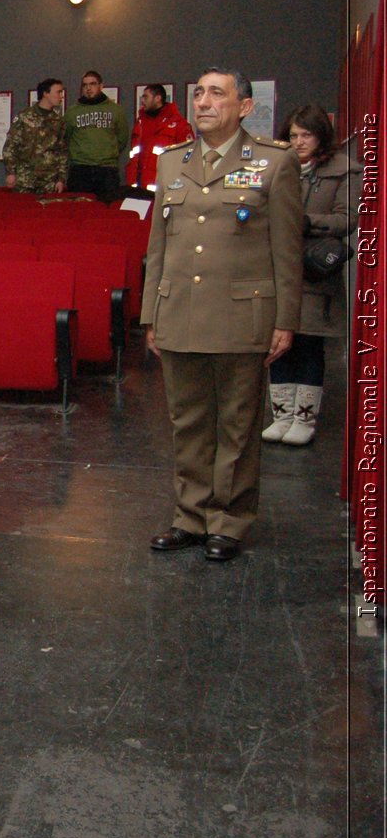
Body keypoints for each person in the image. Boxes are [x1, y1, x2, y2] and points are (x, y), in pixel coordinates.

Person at [144, 68, 302, 562]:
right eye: (198, 94)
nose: (204, 102)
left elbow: (288, 250)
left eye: (217, 93)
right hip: (180, 314)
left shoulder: (273, 163)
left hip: (242, 316)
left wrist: (286, 319)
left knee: (236, 423)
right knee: (187, 421)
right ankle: (189, 515)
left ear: (244, 106)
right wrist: (151, 313)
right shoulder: (172, 163)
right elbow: (159, 246)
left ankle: (228, 519)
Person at [262, 103, 358, 445]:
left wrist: (308, 223)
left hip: (315, 268)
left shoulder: (343, 170)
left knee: (308, 343)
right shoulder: (278, 166)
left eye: (306, 135)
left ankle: (304, 418)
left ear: (321, 136)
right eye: (293, 136)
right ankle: (281, 414)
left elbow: (348, 218)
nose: (299, 142)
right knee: (277, 344)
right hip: (278, 266)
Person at [65, 70, 129, 203]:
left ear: (101, 86)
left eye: (92, 84)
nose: (88, 88)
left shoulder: (116, 110)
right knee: (79, 211)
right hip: (80, 169)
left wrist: (109, 153)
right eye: (85, 85)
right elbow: (66, 138)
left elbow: (122, 138)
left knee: (107, 212)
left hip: (107, 170)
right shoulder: (72, 112)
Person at [2, 79, 68, 194]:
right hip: (25, 180)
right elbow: (10, 146)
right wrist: (11, 172)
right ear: (46, 93)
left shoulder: (59, 121)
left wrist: (61, 179)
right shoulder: (24, 117)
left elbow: (62, 152)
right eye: (58, 92)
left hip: (49, 182)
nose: (61, 96)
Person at [126, 84, 193, 195]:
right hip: (137, 189)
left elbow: (189, 157)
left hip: (164, 192)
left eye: (146, 97)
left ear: (157, 98)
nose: (142, 101)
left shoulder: (178, 125)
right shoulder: (140, 123)